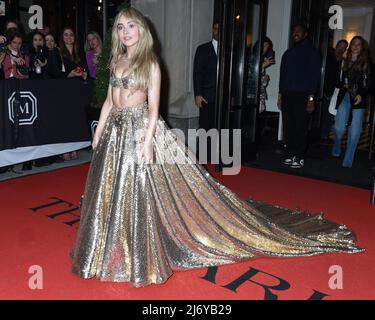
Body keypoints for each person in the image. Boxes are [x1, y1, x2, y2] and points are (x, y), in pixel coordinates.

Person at [70, 8, 363, 288]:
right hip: (114, 132)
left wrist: (147, 144)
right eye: (120, 27)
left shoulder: (151, 63)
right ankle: (109, 248)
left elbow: (154, 109)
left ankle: (138, 255)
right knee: (109, 189)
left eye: (131, 26)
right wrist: (99, 133)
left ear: (141, 30)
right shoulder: (116, 61)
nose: (125, 32)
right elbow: (110, 100)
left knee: (136, 191)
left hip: (138, 132)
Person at [278, 22, 321, 169]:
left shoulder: (313, 52)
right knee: (288, 125)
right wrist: (280, 95)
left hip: (303, 95)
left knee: (300, 126)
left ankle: (299, 156)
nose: (295, 33)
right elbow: (282, 76)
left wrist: (311, 98)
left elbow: (314, 77)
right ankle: (290, 153)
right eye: (294, 31)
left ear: (305, 34)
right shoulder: (288, 53)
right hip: (287, 94)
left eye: (298, 31)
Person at [332, 36, 371, 168]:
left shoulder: (367, 64)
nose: (355, 46)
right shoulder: (344, 62)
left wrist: (362, 94)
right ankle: (337, 143)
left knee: (355, 130)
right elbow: (338, 81)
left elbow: (369, 84)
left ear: (362, 47)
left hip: (358, 98)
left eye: (358, 44)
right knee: (339, 128)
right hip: (345, 97)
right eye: (353, 44)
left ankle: (348, 160)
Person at [60, 27, 88, 161]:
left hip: (77, 88)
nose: (69, 37)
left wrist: (83, 74)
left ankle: (75, 148)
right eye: (66, 35)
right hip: (65, 89)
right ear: (62, 37)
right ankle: (65, 150)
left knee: (76, 119)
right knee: (65, 120)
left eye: (71, 35)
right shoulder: (58, 52)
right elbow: (56, 73)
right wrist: (68, 74)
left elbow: (85, 70)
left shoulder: (79, 53)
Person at [321, 40, 348, 140]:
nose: (341, 48)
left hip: (335, 91)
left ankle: (324, 135)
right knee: (323, 113)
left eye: (343, 47)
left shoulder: (344, 62)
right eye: (340, 45)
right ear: (336, 46)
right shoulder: (327, 57)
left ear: (345, 49)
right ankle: (320, 134)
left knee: (329, 114)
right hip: (323, 89)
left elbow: (343, 78)